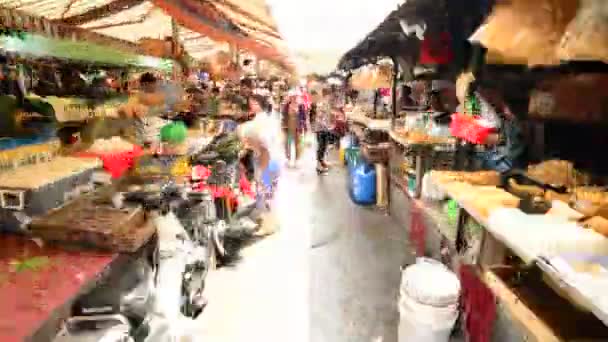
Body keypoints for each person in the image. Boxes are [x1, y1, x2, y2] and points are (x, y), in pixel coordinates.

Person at [313, 89, 336, 174]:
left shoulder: (325, 103)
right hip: (321, 129)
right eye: (329, 95)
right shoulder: (322, 104)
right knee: (321, 147)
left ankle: (322, 164)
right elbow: (320, 118)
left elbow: (326, 116)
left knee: (323, 147)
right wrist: (327, 126)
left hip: (324, 129)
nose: (330, 97)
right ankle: (319, 167)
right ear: (327, 95)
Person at [282, 98, 304, 167]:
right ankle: (288, 159)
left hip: (298, 128)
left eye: (296, 97)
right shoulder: (287, 106)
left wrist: (304, 126)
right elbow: (284, 116)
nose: (294, 98)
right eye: (292, 97)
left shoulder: (300, 106)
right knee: (288, 143)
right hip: (288, 127)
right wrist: (283, 125)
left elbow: (303, 117)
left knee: (298, 144)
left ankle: (297, 160)